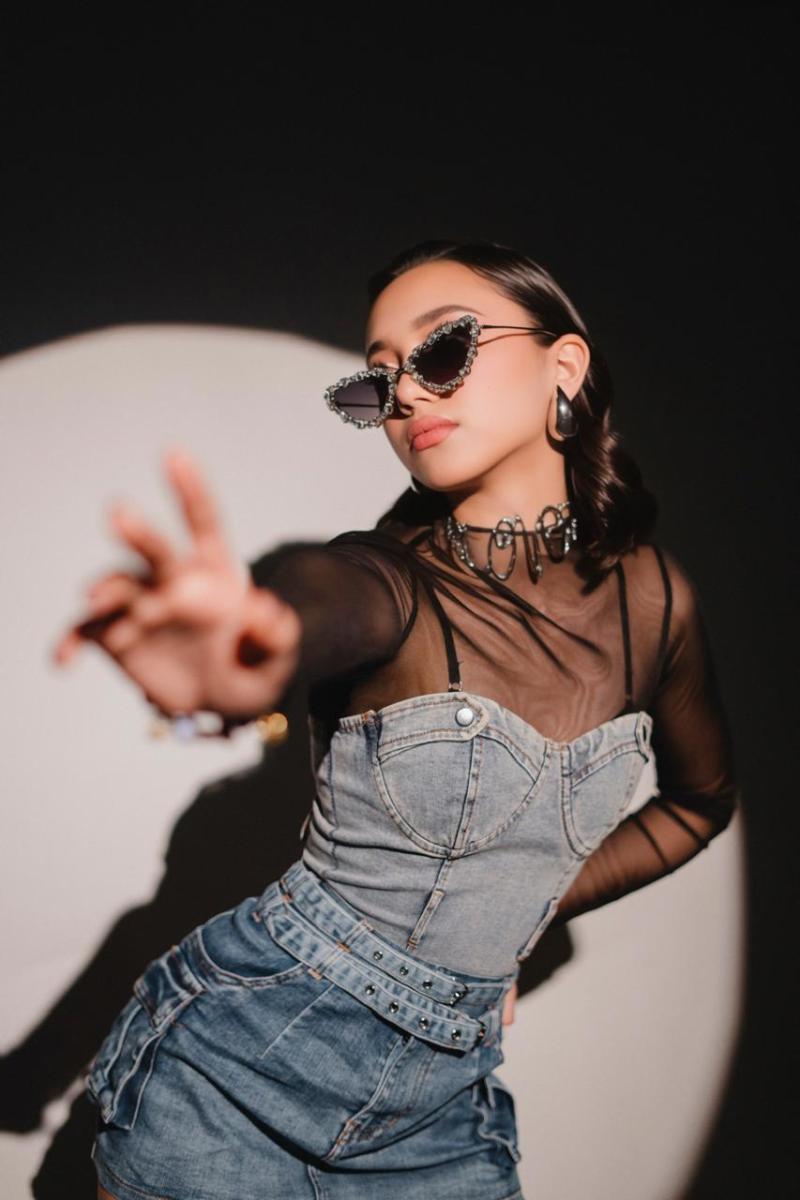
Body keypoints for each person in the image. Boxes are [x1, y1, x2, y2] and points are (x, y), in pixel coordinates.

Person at [53, 238, 739, 1200]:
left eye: (443, 349)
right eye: (375, 384)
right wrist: (250, 651)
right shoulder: (388, 579)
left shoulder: (656, 603)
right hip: (233, 1073)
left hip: (440, 1118)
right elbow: (314, 599)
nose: (407, 393)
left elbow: (699, 803)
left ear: (565, 365)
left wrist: (521, 917)